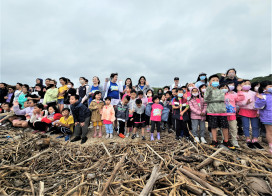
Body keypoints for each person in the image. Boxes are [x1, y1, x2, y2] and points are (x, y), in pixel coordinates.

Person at [204, 74, 235, 150]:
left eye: (217, 80)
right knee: (213, 127)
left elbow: (221, 99)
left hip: (222, 111)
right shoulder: (207, 90)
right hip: (212, 111)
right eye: (213, 80)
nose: (215, 81)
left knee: (225, 126)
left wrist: (213, 99)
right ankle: (214, 141)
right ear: (210, 82)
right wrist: (216, 98)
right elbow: (206, 99)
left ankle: (226, 141)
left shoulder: (221, 91)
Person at [237, 80, 263, 149]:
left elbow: (258, 102)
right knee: (246, 126)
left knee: (255, 126)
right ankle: (247, 137)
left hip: (254, 111)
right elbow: (238, 103)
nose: (247, 85)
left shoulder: (254, 93)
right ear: (241, 85)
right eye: (245, 83)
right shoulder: (239, 93)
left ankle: (255, 138)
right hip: (244, 111)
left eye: (249, 84)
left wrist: (258, 111)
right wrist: (246, 103)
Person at [221, 83, 244, 147]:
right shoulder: (218, 96)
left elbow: (241, 98)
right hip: (222, 115)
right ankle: (224, 139)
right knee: (223, 128)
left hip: (232, 114)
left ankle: (234, 140)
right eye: (222, 88)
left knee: (233, 128)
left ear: (228, 89)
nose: (224, 89)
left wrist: (239, 91)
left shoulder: (232, 95)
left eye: (225, 88)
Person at [255, 81, 272, 154]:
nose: (271, 87)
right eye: (270, 86)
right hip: (267, 116)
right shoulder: (261, 96)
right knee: (269, 131)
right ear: (264, 88)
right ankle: (271, 146)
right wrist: (261, 99)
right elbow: (259, 106)